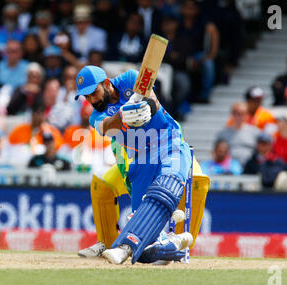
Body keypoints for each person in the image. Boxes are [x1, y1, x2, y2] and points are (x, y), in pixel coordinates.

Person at [74, 65, 209, 264]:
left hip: (167, 140)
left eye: (94, 93)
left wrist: (147, 106)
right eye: (87, 97)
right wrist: (124, 114)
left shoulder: (130, 79)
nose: (92, 100)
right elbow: (106, 127)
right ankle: (170, 244)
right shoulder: (96, 116)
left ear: (107, 83)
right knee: (141, 230)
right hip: (142, 157)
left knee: (173, 185)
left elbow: (153, 100)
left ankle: (183, 243)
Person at [181, 0, 219, 103]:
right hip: (181, 56)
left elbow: (213, 32)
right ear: (182, 8)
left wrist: (210, 56)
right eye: (187, 7)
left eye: (192, 7)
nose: (189, 10)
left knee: (208, 64)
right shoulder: (178, 23)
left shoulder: (203, 22)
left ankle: (204, 96)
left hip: (198, 55)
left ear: (197, 9)